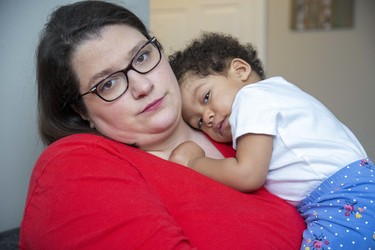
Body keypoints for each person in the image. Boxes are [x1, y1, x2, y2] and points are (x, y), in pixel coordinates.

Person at [19, 1, 306, 249]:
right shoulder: (73, 166)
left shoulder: (233, 128)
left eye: (142, 57)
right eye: (109, 83)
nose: (143, 85)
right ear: (81, 111)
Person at [168, 32, 375, 249]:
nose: (207, 117)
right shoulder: (278, 92)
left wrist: (193, 162)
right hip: (359, 188)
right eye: (198, 122)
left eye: (206, 97)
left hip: (344, 200)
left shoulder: (251, 98)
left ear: (240, 70)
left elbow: (247, 174)